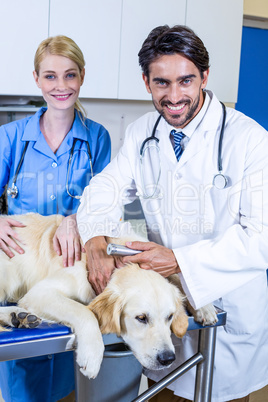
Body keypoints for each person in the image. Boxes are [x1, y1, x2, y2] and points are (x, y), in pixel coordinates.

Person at [77, 25, 268, 402]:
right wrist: (94, 236)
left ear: (205, 77)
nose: (174, 96)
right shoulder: (142, 132)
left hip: (226, 317)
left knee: (218, 393)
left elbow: (261, 237)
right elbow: (106, 188)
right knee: (166, 391)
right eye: (162, 82)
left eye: (186, 81)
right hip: (162, 316)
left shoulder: (250, 140)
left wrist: (179, 260)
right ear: (146, 82)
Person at [0, 35, 111, 402]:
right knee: (24, 388)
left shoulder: (98, 139)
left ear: (82, 76)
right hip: (21, 276)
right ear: (36, 78)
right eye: (50, 76)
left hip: (70, 281)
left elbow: (106, 204)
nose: (61, 86)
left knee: (65, 384)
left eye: (69, 75)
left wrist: (76, 219)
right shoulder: (10, 138)